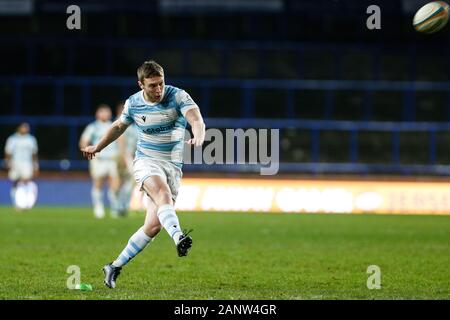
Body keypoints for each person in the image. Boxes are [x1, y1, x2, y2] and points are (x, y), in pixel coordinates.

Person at [81, 60, 205, 289]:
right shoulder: (134, 104)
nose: (158, 90)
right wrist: (97, 147)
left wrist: (198, 135)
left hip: (173, 167)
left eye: (161, 84)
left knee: (153, 226)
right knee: (162, 194)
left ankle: (114, 266)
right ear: (141, 85)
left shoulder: (177, 96)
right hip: (146, 162)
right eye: (152, 86)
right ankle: (179, 237)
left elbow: (195, 118)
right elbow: (118, 127)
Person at [79, 104, 121, 219]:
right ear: (97, 114)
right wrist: (86, 150)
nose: (105, 114)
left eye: (107, 112)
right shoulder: (93, 127)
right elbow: (83, 141)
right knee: (98, 183)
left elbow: (120, 141)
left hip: (112, 158)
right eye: (102, 112)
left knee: (115, 184)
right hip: (99, 159)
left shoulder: (114, 125)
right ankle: (98, 207)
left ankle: (114, 207)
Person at [4, 123, 39, 210]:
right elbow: (8, 152)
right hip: (15, 163)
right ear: (19, 128)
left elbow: (34, 154)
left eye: (27, 127)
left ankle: (26, 202)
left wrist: (35, 166)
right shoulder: (13, 139)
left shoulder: (31, 139)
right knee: (15, 182)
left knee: (26, 181)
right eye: (24, 127)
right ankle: (15, 202)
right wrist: (8, 163)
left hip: (27, 164)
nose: (25, 129)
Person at [115, 101, 139, 216]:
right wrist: (123, 156)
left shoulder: (132, 126)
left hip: (129, 156)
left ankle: (122, 206)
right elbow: (121, 142)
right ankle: (118, 207)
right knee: (120, 181)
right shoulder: (119, 123)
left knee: (128, 181)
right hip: (121, 156)